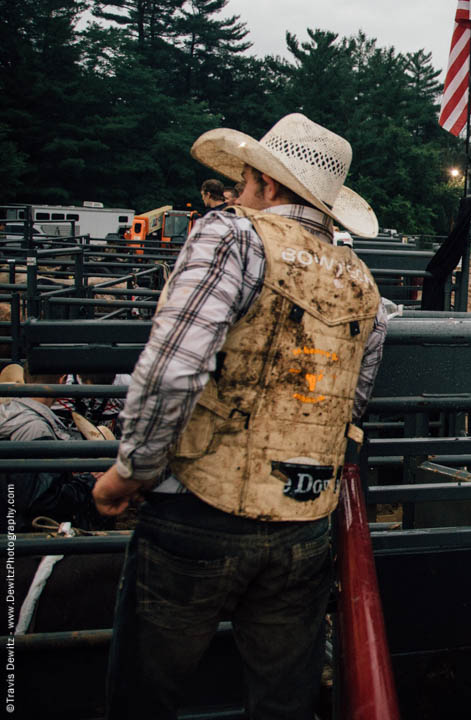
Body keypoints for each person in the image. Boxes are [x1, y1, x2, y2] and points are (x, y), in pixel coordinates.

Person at [92, 113, 387, 719]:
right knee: (283, 701)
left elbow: (174, 367)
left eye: (245, 181)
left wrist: (132, 470)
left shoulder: (230, 235)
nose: (237, 193)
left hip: (199, 509)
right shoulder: (363, 284)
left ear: (268, 185)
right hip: (304, 519)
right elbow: (349, 403)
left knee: (144, 695)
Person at [0, 366, 105, 531]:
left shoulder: (9, 413)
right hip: (24, 535)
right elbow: (43, 501)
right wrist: (89, 481)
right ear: (62, 381)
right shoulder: (36, 429)